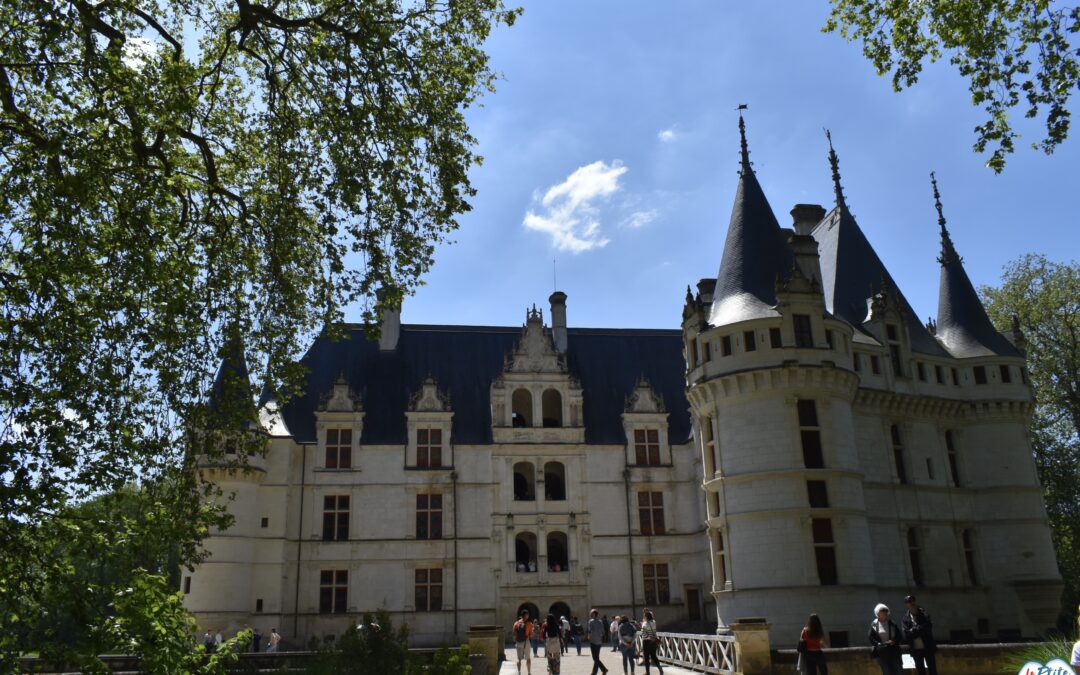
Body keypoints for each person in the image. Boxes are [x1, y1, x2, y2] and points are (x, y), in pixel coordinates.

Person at [901, 595, 937, 675]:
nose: (911, 603)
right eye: (909, 602)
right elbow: (907, 634)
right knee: (920, 671)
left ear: (915, 602)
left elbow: (928, 628)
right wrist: (919, 630)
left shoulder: (924, 614)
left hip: (928, 647)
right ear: (906, 605)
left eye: (912, 601)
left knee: (932, 670)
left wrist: (914, 630)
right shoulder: (905, 618)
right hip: (916, 650)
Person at [868, 604, 903, 675]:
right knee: (887, 672)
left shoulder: (892, 623)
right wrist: (880, 644)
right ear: (878, 613)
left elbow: (899, 636)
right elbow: (870, 637)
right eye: (882, 611)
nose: (885, 612)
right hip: (882, 653)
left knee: (898, 671)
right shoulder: (874, 624)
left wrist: (894, 641)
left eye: (886, 610)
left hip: (894, 651)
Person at [640, 609, 663, 675]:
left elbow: (644, 633)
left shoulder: (645, 623)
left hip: (646, 641)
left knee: (646, 657)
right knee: (653, 656)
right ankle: (660, 669)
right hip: (654, 641)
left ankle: (647, 672)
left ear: (646, 617)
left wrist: (642, 625)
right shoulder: (654, 622)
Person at [587, 608, 610, 675]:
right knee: (596, 658)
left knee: (595, 658)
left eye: (591, 613)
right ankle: (595, 672)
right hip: (599, 641)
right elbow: (603, 632)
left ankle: (604, 669)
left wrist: (589, 636)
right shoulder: (600, 621)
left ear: (594, 614)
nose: (590, 614)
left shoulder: (591, 621)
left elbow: (590, 631)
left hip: (593, 641)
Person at [513, 610, 534, 675]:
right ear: (526, 615)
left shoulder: (516, 623)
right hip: (526, 642)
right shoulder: (529, 624)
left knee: (519, 659)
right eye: (527, 614)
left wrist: (516, 641)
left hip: (519, 642)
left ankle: (519, 672)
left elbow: (514, 635)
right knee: (528, 658)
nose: (528, 615)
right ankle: (529, 672)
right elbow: (531, 635)